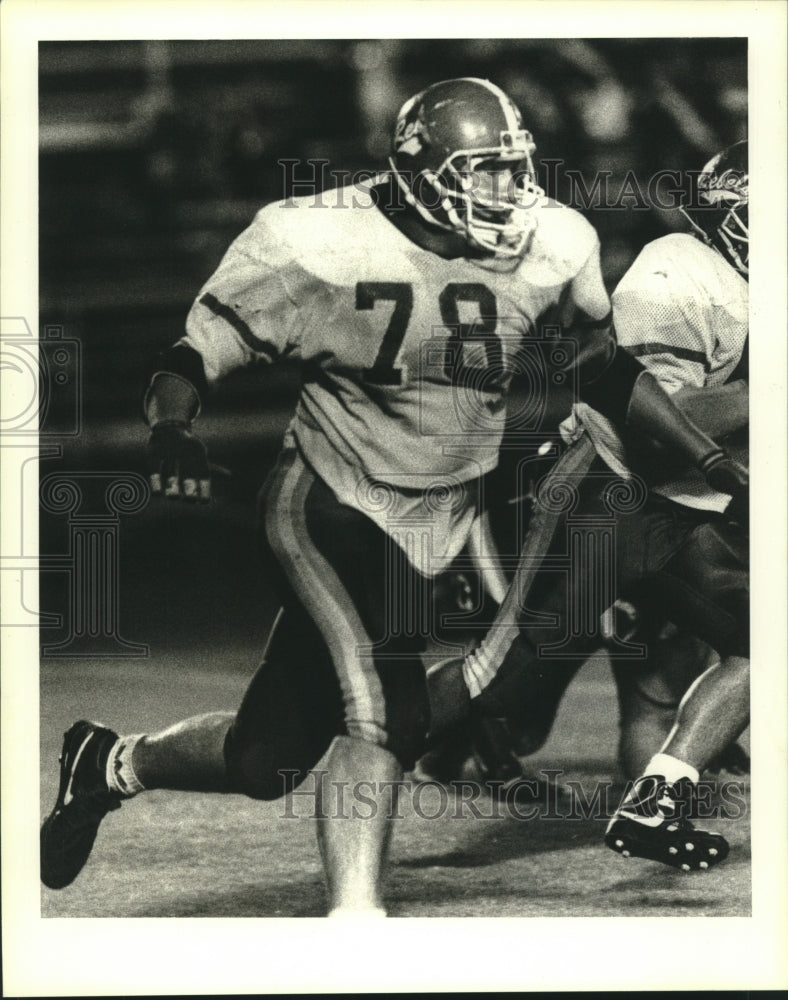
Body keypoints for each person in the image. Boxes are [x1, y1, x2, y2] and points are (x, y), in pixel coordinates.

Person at [40, 80, 746, 915]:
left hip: (440, 510)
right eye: (479, 174)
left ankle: (111, 762)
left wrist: (708, 457)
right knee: (386, 718)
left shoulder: (553, 240)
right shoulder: (312, 241)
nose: (504, 193)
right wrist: (171, 431)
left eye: (510, 170)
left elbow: (608, 366)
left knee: (267, 757)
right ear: (416, 171)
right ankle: (358, 925)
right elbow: (190, 356)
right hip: (329, 500)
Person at [426, 141, 750, 872]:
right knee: (504, 684)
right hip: (607, 493)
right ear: (735, 217)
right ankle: (369, 737)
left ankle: (653, 804)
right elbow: (661, 411)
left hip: (683, 512)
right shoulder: (681, 268)